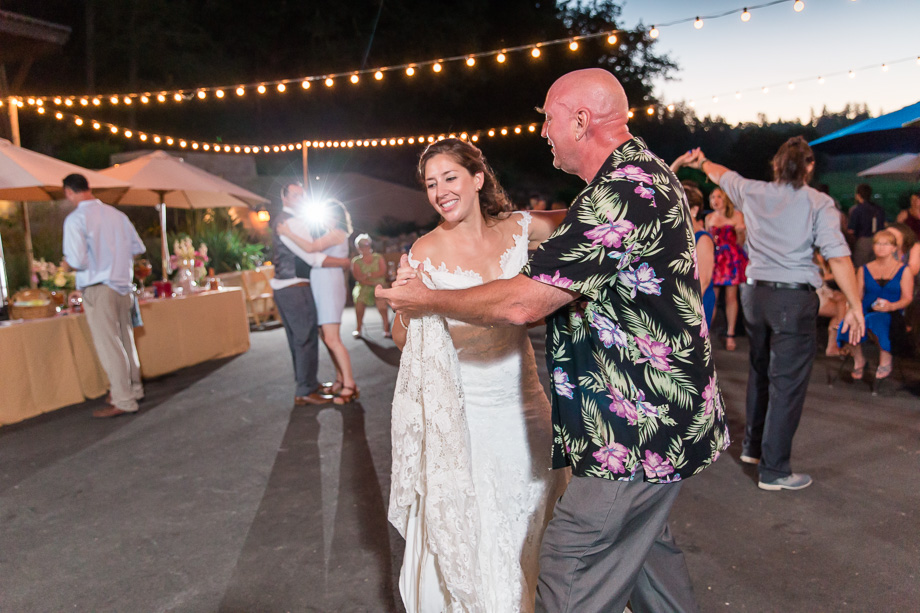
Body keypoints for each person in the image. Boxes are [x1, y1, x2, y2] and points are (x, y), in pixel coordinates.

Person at [380, 68, 729, 613]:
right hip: (652, 420)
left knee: (569, 560)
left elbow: (524, 303)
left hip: (635, 428)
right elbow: (565, 233)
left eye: (548, 118)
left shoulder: (622, 191)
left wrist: (428, 301)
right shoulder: (631, 179)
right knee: (648, 562)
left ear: (582, 121)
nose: (543, 130)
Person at [388, 137, 568, 613]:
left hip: (524, 401)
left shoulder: (519, 228)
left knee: (535, 508)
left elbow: (582, 219)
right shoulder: (425, 250)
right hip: (468, 411)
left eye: (449, 178)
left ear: (477, 178)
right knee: (484, 520)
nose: (440, 191)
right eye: (431, 184)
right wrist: (409, 302)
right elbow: (401, 337)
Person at [693, 136, 864, 491]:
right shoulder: (819, 202)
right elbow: (837, 255)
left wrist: (702, 161)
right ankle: (774, 471)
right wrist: (855, 305)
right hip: (791, 300)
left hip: (755, 294)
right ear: (810, 166)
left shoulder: (752, 191)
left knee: (760, 372)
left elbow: (721, 174)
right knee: (787, 384)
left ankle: (753, 449)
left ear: (775, 165)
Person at [62, 173, 146, 418]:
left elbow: (77, 259)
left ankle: (124, 399)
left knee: (110, 344)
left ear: (69, 191)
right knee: (125, 340)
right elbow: (138, 248)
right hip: (123, 286)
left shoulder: (76, 219)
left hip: (99, 287)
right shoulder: (117, 215)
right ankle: (134, 389)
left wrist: (67, 266)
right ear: (88, 188)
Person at [270, 182, 351, 406]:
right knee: (305, 338)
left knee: (308, 338)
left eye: (302, 195)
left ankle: (313, 384)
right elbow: (312, 257)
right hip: (296, 286)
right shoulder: (291, 222)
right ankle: (306, 388)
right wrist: (343, 262)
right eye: (295, 195)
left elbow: (313, 250)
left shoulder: (288, 222)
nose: (300, 199)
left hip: (295, 286)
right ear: (283, 197)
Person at [836, 230, 914, 380]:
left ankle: (886, 358)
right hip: (866, 309)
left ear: (893, 248)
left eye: (886, 244)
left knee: (876, 320)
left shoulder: (904, 270)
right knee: (852, 320)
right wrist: (851, 310)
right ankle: (858, 359)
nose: (881, 247)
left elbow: (907, 298)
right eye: (878, 243)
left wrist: (891, 306)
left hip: (892, 312)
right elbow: (857, 296)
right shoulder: (864, 269)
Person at [350, 234, 391, 338]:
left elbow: (382, 271)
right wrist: (371, 280)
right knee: (359, 302)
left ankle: (386, 327)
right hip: (363, 286)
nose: (364, 247)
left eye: (366, 244)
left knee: (381, 304)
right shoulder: (356, 261)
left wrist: (367, 275)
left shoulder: (378, 257)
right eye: (361, 245)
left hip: (378, 285)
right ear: (358, 247)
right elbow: (358, 278)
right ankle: (358, 328)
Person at [847, 183, 886, 267]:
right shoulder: (878, 209)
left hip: (862, 241)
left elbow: (851, 230)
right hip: (878, 240)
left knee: (860, 267)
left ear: (858, 195)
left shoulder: (857, 210)